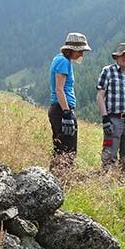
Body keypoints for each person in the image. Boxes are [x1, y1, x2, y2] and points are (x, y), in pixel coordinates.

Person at [96, 42, 125, 173]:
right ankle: (106, 184)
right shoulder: (108, 71)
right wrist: (105, 118)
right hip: (113, 118)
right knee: (109, 155)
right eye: (124, 55)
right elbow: (100, 96)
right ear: (117, 56)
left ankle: (123, 185)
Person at [49, 32, 92, 174]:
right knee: (68, 148)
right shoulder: (63, 61)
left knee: (61, 146)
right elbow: (59, 89)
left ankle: (58, 177)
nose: (81, 54)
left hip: (59, 109)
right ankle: (64, 178)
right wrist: (67, 113)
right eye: (80, 51)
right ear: (72, 49)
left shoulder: (60, 59)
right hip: (62, 110)